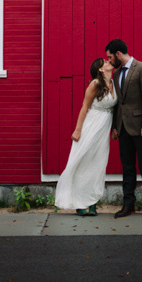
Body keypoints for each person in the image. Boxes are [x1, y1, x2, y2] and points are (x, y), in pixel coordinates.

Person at [55, 58, 117, 216]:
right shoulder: (95, 84)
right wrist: (78, 130)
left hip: (104, 128)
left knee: (98, 164)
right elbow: (84, 107)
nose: (109, 62)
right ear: (101, 70)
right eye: (105, 62)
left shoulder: (114, 84)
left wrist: (115, 128)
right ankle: (79, 203)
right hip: (92, 125)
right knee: (83, 162)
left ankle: (92, 201)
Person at [106, 38, 142, 219]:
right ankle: (128, 205)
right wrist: (115, 126)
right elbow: (117, 103)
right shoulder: (116, 73)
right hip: (123, 129)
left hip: (141, 128)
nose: (109, 61)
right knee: (127, 168)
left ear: (118, 54)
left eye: (110, 57)